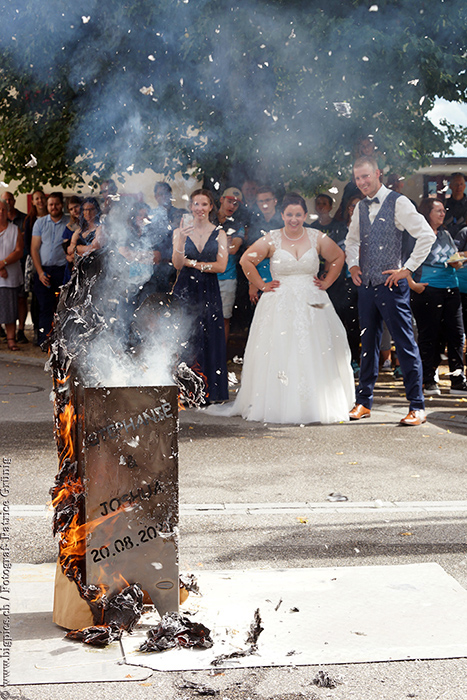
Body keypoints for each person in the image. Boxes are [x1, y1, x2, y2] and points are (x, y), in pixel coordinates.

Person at [219, 192, 354, 424]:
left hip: (313, 303)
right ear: (282, 215)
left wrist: (327, 282)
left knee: (313, 349)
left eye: (298, 214)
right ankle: (279, 402)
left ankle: (315, 404)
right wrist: (261, 285)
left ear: (304, 215)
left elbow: (338, 257)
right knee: (282, 349)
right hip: (279, 303)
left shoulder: (316, 237)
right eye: (289, 214)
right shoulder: (271, 239)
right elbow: (245, 260)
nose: (294, 219)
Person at [345, 155, 436, 426]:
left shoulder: (399, 202)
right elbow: (351, 241)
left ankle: (417, 406)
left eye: (366, 176)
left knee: (405, 344)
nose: (362, 182)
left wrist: (407, 269)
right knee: (368, 346)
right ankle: (364, 402)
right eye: (358, 178)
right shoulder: (360, 207)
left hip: (393, 286)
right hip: (367, 287)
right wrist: (352, 267)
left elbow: (427, 235)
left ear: (378, 174)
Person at [172, 189, 229, 402]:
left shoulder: (220, 233)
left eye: (204, 204)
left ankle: (210, 391)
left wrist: (193, 263)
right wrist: (181, 240)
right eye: (196, 204)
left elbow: (221, 266)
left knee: (209, 335)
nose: (200, 209)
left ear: (211, 207)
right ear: (191, 207)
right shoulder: (180, 232)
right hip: (185, 289)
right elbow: (178, 264)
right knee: (186, 337)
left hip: (209, 289)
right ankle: (186, 392)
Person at [409, 198, 467, 396]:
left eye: (444, 210)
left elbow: (454, 262)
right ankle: (428, 380)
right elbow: (404, 261)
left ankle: (457, 381)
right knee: (430, 336)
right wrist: (413, 286)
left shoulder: (445, 235)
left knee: (456, 335)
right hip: (428, 290)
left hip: (452, 289)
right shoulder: (416, 235)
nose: (443, 214)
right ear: (427, 213)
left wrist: (459, 260)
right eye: (438, 211)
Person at [315, 193, 361, 374]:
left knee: (355, 324)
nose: (354, 210)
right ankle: (340, 359)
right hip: (339, 283)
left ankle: (355, 360)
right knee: (339, 321)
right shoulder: (340, 229)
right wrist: (326, 275)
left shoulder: (370, 230)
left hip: (362, 282)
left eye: (359, 207)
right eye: (352, 207)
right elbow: (332, 256)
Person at [30, 192, 68, 346]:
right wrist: (39, 272)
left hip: (62, 270)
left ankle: (62, 342)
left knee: (62, 308)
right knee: (45, 307)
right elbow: (34, 249)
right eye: (51, 204)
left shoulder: (69, 223)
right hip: (44, 271)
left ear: (62, 205)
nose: (54, 207)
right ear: (47, 206)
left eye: (57, 204)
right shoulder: (40, 223)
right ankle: (45, 341)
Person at [213, 187, 245, 343]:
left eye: (236, 204)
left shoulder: (238, 224)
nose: (232, 206)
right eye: (229, 201)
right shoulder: (208, 219)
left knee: (224, 318)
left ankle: (221, 358)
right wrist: (225, 242)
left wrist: (215, 244)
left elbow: (233, 249)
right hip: (207, 274)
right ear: (221, 199)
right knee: (204, 317)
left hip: (227, 277)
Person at [1, 191, 27, 343]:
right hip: (2, 274)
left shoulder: (14, 229)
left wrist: (3, 264)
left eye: (3, 209)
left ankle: (11, 339)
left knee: (10, 309)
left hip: (10, 277)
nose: (1, 212)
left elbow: (18, 251)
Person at [444, 172, 467, 237]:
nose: (459, 187)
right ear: (450, 186)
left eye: (461, 184)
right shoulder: (443, 204)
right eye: (456, 184)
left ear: (464, 186)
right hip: (446, 239)